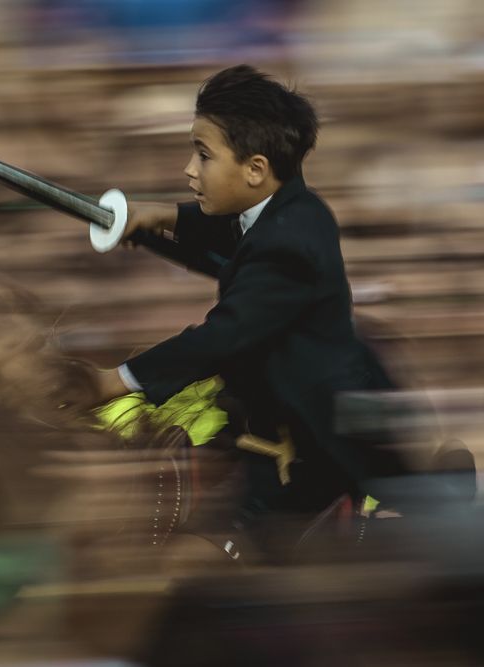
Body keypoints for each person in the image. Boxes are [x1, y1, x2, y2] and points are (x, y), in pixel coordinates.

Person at [91, 64, 410, 561]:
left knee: (206, 557)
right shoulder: (291, 209)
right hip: (265, 406)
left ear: (255, 170)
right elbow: (228, 234)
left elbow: (223, 336)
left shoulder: (288, 246)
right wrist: (159, 216)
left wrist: (116, 380)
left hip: (302, 441)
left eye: (202, 155)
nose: (189, 170)